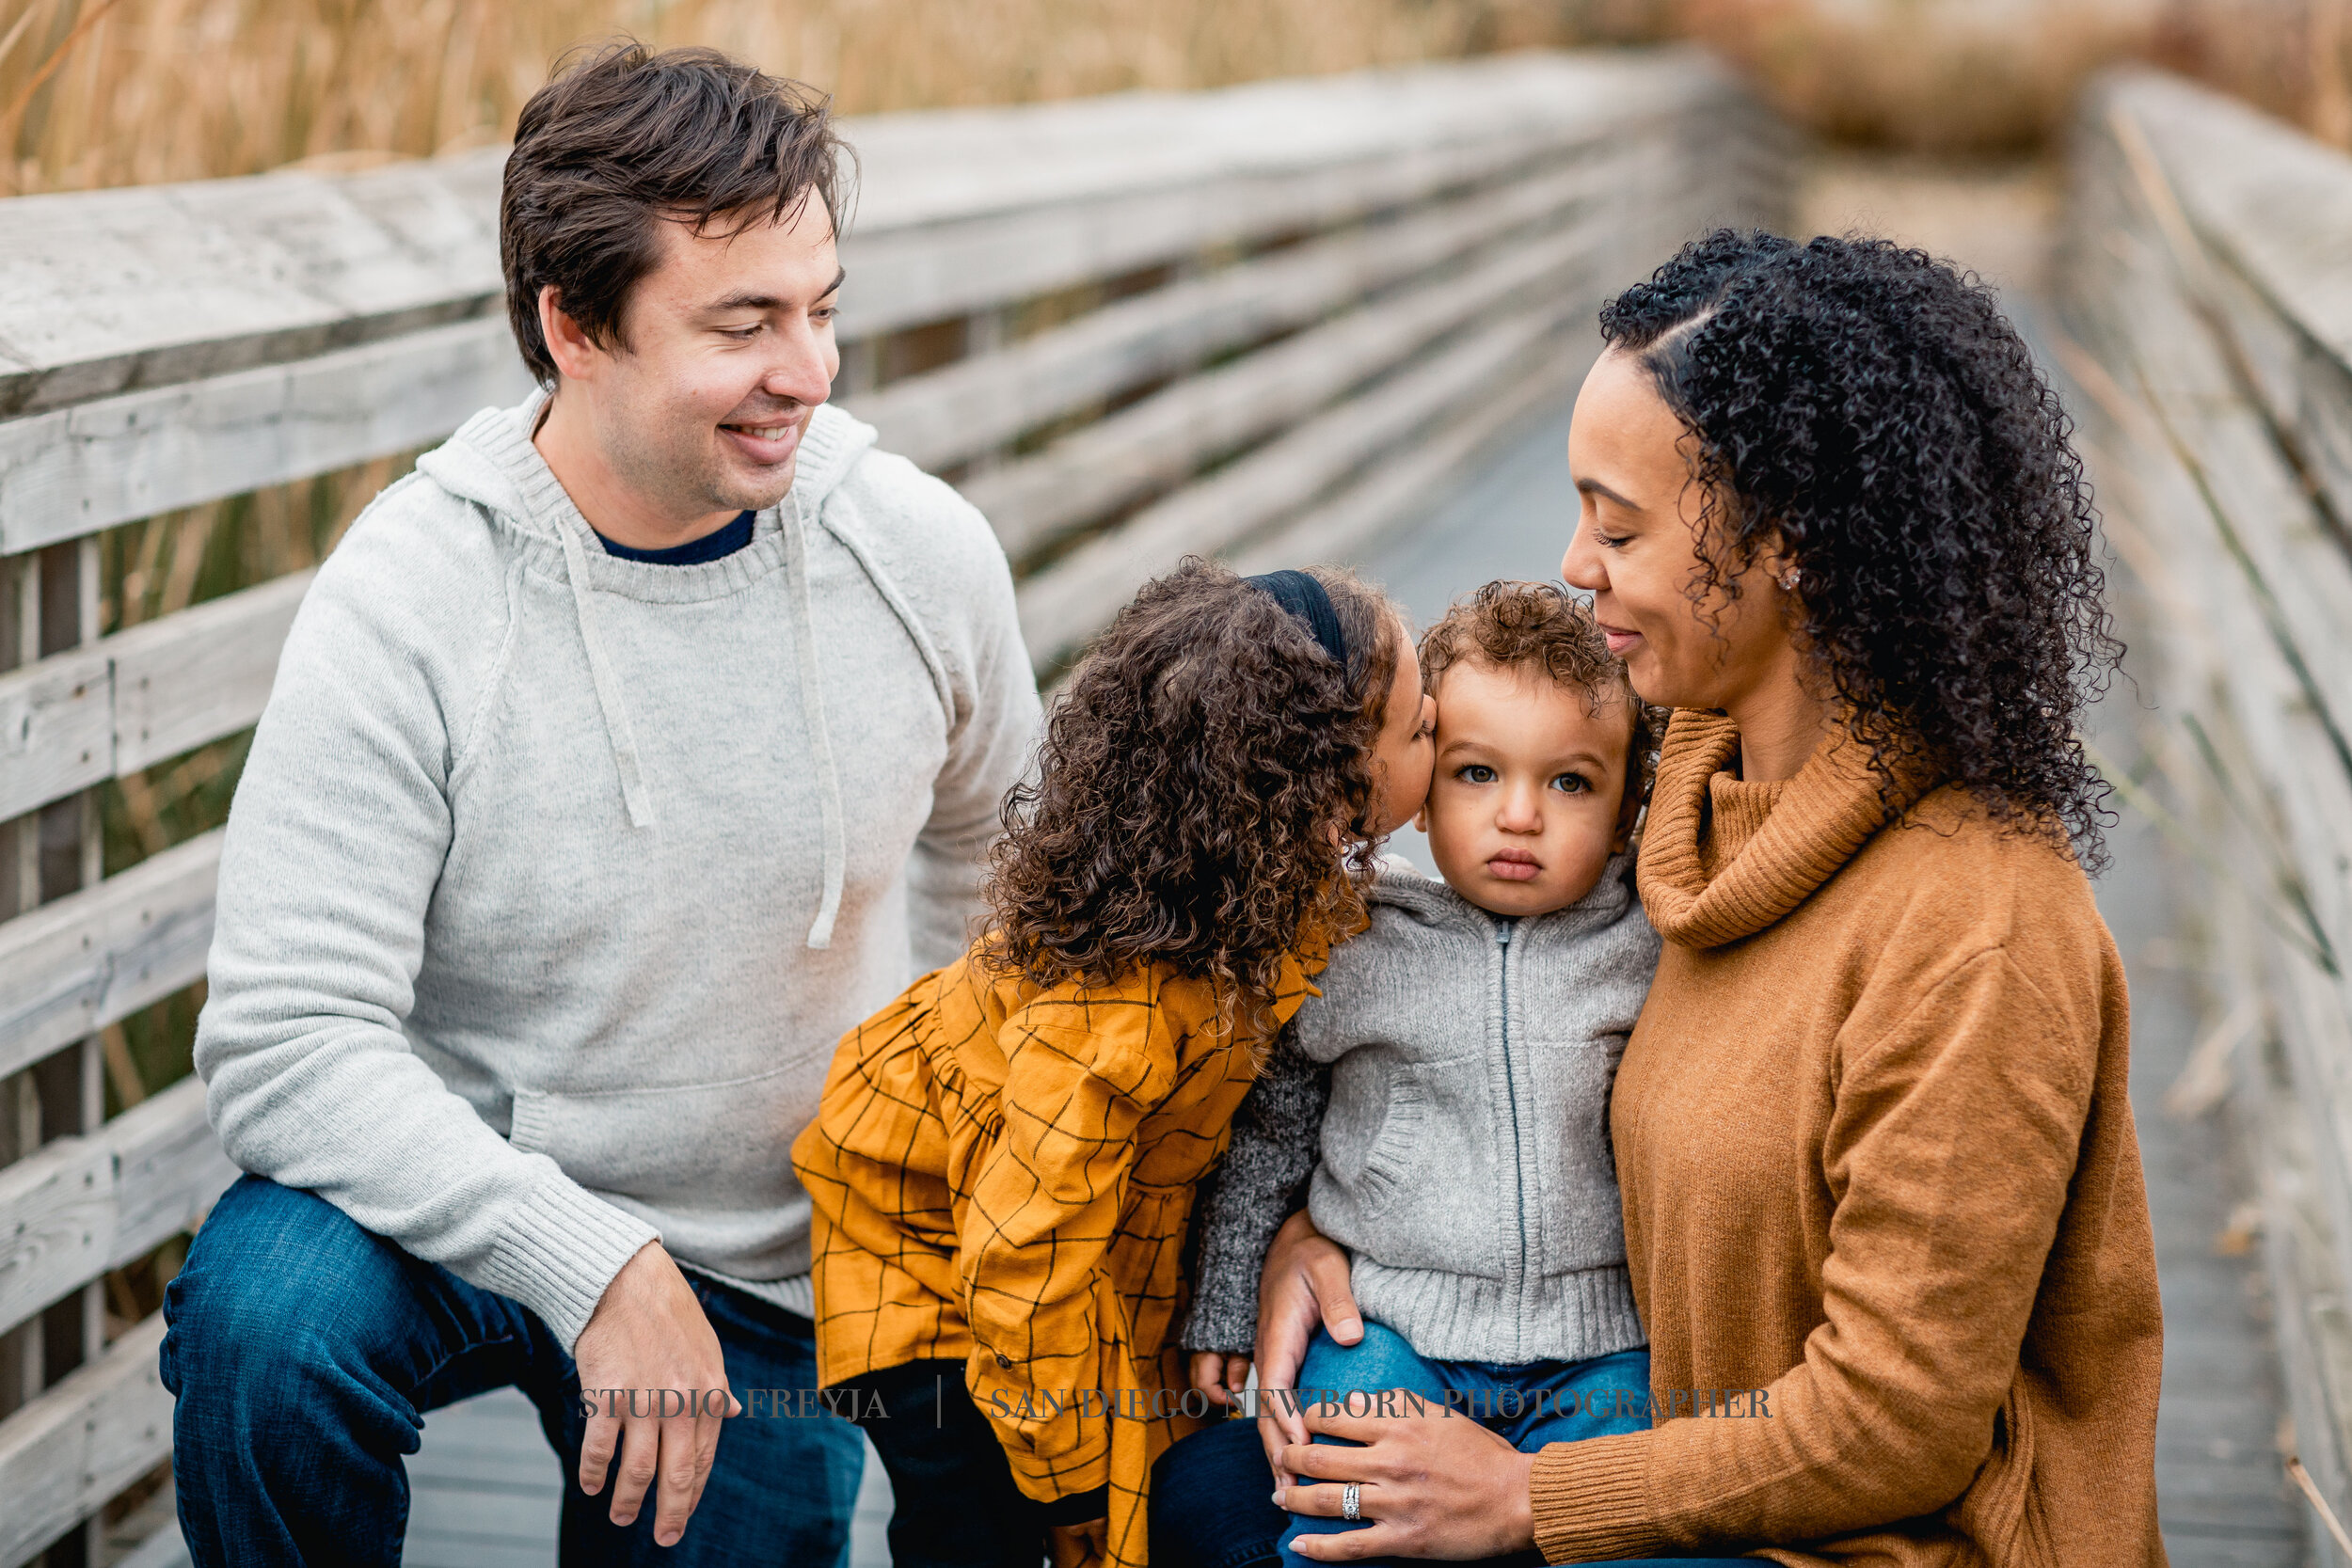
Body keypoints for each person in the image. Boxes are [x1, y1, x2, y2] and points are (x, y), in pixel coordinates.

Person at [1153, 230, 2163, 1568]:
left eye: (1618, 523)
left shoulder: (1982, 925)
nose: (1575, 562)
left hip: (1868, 1534)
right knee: (1203, 1502)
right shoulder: (1669, 785)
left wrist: (1524, 1498)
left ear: (1786, 539)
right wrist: (1313, 1235)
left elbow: (1895, 1422)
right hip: (1635, 1438)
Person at [160, 42, 1041, 1568]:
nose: (812, 372)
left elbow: (1006, 863)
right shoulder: (417, 588)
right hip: (453, 1201)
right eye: (745, 324)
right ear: (574, 326)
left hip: (772, 1257)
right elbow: (283, 1037)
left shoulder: (915, 554)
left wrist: (942, 1142)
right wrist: (589, 1255)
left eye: (822, 308)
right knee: (266, 1325)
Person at [792, 561, 1437, 1568]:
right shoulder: (1118, 1012)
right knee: (981, 1512)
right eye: (1423, 731)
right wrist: (1074, 1486)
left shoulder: (1259, 881)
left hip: (1054, 1204)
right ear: (1324, 792)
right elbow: (1022, 1265)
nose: (1443, 741)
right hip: (925, 1248)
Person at [1175, 581, 1664, 1568]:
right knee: (1342, 1513)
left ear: (1624, 809)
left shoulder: (1646, 939)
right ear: (1419, 787)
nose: (1518, 815)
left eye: (1569, 782)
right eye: (1477, 772)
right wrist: (1228, 1302)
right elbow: (1271, 1134)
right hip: (1388, 1325)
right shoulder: (1352, 936)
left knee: (1613, 1528)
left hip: (1601, 1343)